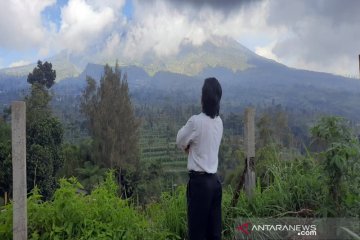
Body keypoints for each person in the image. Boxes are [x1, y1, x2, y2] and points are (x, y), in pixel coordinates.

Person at [176, 77, 223, 240]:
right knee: (214, 233)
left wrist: (189, 149)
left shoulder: (195, 122)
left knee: (197, 233)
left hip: (200, 184)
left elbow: (180, 140)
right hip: (215, 184)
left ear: (203, 98)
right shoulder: (219, 122)